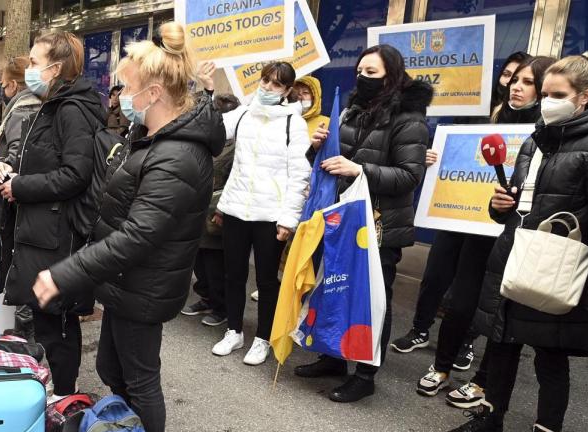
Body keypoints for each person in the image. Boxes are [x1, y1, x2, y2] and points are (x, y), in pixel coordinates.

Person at [32, 22, 225, 432]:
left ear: (155, 92)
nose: (120, 96)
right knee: (115, 371)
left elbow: (139, 234)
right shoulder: (157, 139)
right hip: (125, 283)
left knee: (140, 379)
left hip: (144, 284)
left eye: (128, 87)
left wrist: (65, 274)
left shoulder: (177, 154)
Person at [443, 50, 588, 432]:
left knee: (550, 357)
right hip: (514, 255)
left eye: (558, 94)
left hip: (558, 267)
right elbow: (516, 204)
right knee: (501, 343)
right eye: (547, 93)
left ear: (585, 97)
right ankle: (491, 418)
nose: (547, 101)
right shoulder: (535, 140)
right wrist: (500, 204)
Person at [294, 44, 432, 402]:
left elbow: (409, 176)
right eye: (360, 71)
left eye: (371, 73)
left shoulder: (410, 119)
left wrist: (359, 170)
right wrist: (318, 147)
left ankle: (366, 373)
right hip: (342, 220)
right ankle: (332, 356)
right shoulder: (352, 109)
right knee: (333, 288)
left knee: (372, 300)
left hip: (380, 226)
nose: (362, 78)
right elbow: (330, 162)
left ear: (393, 75)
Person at [416, 57, 554, 406]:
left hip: (517, 235)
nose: (516, 87)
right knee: (461, 301)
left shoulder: (548, 133)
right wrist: (439, 159)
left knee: (498, 310)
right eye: (514, 80)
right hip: (477, 229)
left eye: (527, 82)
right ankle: (441, 366)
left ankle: (483, 381)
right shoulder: (490, 120)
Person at [392, 50, 533, 358]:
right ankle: (419, 328)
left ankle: (466, 341)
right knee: (436, 274)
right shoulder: (477, 112)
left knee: (474, 286)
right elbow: (452, 150)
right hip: (455, 209)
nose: (512, 84)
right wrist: (432, 156)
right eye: (508, 76)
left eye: (522, 79)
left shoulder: (536, 127)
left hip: (492, 220)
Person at [0, 30, 106, 399]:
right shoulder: (51, 103)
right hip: (41, 229)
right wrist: (6, 166)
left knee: (56, 320)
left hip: (56, 234)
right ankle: (59, 389)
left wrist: (20, 186)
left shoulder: (71, 110)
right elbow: (35, 156)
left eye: (36, 62)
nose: (30, 68)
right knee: (47, 318)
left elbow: (75, 175)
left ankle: (64, 395)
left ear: (55, 68)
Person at [210, 61, 311, 366]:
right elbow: (212, 129)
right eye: (265, 81)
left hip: (271, 215)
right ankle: (234, 330)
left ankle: (263, 338)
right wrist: (207, 91)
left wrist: (288, 219)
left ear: (288, 90)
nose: (267, 88)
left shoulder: (294, 124)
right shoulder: (243, 114)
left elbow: (299, 174)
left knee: (266, 281)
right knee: (234, 274)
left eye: (276, 84)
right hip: (237, 209)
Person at [0, 56, 43, 339]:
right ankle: (13, 331)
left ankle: (12, 338)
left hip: (16, 205)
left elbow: (15, 159)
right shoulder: (38, 103)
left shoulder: (22, 107)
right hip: (29, 205)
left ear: (10, 84)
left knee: (9, 273)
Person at [181, 93, 240, 328]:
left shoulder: (235, 146)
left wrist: (223, 209)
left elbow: (235, 180)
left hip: (217, 211)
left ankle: (220, 306)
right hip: (196, 209)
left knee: (216, 264)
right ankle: (206, 297)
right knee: (200, 262)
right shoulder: (202, 139)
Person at [291, 75, 329, 139]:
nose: (300, 97)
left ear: (314, 97)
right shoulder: (284, 121)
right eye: (296, 93)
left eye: (305, 92)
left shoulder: (327, 123)